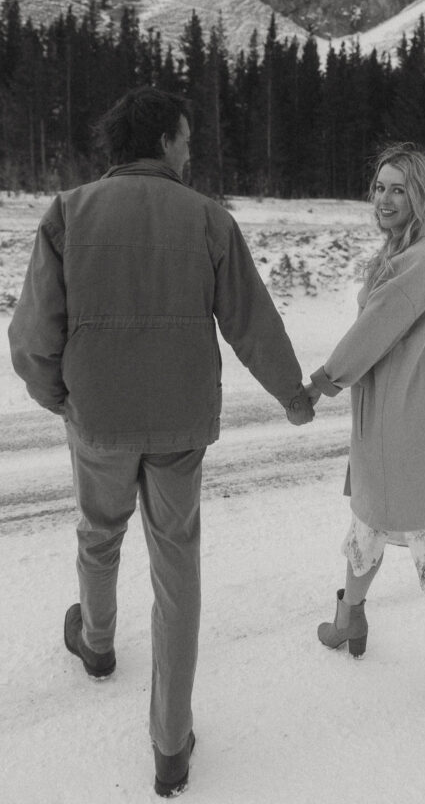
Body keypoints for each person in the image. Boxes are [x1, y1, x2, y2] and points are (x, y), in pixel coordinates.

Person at [8, 86, 315, 796]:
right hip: (179, 424)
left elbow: (31, 336)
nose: (190, 150)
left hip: (99, 418)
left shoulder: (67, 214)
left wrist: (59, 396)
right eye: (185, 138)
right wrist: (291, 396)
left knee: (99, 531)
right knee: (176, 565)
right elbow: (252, 323)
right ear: (163, 141)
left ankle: (96, 642)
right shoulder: (209, 219)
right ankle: (171, 745)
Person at [304, 143, 425, 718]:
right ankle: (363, 626)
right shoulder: (422, 249)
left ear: (421, 194)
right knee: (403, 530)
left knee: (412, 533)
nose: (384, 200)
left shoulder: (418, 259)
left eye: (398, 189)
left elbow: (372, 331)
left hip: (402, 424)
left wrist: (321, 382)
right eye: (379, 188)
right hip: (416, 418)